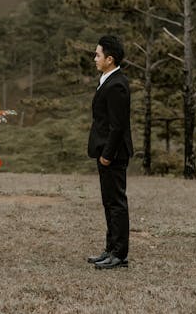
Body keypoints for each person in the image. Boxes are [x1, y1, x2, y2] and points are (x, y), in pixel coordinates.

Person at [87, 35, 133, 269]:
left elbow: (118, 125)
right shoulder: (107, 79)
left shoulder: (117, 84)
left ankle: (120, 255)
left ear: (110, 59)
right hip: (105, 151)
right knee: (109, 202)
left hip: (113, 154)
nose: (94, 58)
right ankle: (110, 249)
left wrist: (107, 154)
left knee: (116, 203)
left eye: (98, 54)